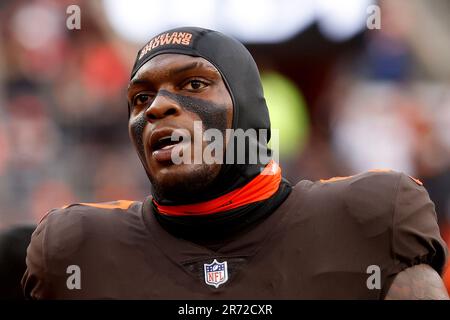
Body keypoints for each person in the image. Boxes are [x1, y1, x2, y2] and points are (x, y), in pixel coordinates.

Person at [22, 27, 448, 299]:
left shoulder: (372, 218)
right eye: (141, 97)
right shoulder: (76, 247)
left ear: (246, 106)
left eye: (193, 83)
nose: (157, 108)